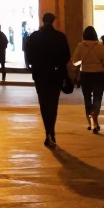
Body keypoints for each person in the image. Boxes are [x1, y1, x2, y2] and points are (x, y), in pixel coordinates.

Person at [25, 12, 71, 148]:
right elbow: (66, 57)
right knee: (53, 103)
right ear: (53, 21)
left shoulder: (34, 37)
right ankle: (52, 131)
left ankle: (48, 132)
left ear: (43, 20)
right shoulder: (60, 37)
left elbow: (29, 57)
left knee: (44, 104)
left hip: (40, 75)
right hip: (55, 74)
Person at [71, 25, 104, 134]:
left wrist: (81, 64)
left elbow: (75, 62)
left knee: (87, 99)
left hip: (86, 75)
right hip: (99, 75)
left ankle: (91, 124)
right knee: (97, 97)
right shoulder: (100, 46)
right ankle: (95, 116)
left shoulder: (80, 46)